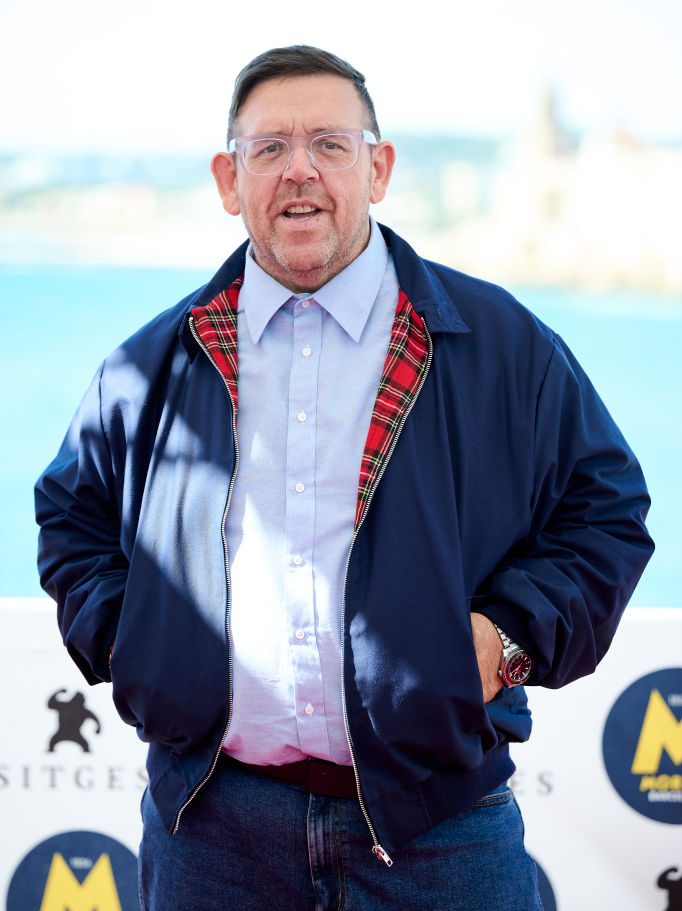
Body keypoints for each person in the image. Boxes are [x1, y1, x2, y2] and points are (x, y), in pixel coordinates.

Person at [35, 45, 654, 910]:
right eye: (269, 148)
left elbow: (608, 511)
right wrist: (138, 643)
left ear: (378, 167)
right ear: (228, 178)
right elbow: (71, 516)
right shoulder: (153, 361)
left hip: (441, 828)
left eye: (329, 143)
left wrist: (505, 636)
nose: (300, 171)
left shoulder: (498, 344)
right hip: (210, 833)